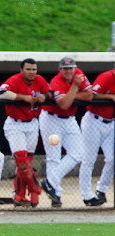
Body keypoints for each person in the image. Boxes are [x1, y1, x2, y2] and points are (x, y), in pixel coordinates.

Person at [0, 58, 52, 207]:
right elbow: (1, 93)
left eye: (34, 69)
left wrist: (44, 96)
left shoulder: (39, 80)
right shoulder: (15, 80)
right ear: (22, 70)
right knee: (21, 160)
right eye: (28, 69)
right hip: (15, 124)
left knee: (27, 161)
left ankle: (19, 196)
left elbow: (51, 93)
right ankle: (35, 188)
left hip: (32, 123)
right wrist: (23, 98)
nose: (32, 72)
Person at [39, 57, 92, 207]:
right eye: (65, 68)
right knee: (53, 157)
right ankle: (56, 194)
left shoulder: (78, 73)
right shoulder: (57, 81)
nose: (69, 71)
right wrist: (75, 87)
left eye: (71, 68)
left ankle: (50, 182)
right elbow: (64, 104)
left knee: (79, 153)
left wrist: (70, 93)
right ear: (59, 69)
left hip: (69, 120)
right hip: (52, 121)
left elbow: (90, 95)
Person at [79, 68, 115, 206]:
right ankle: (87, 195)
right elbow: (90, 95)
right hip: (94, 121)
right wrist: (109, 96)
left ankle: (101, 189)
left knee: (112, 159)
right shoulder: (106, 76)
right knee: (89, 159)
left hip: (111, 123)